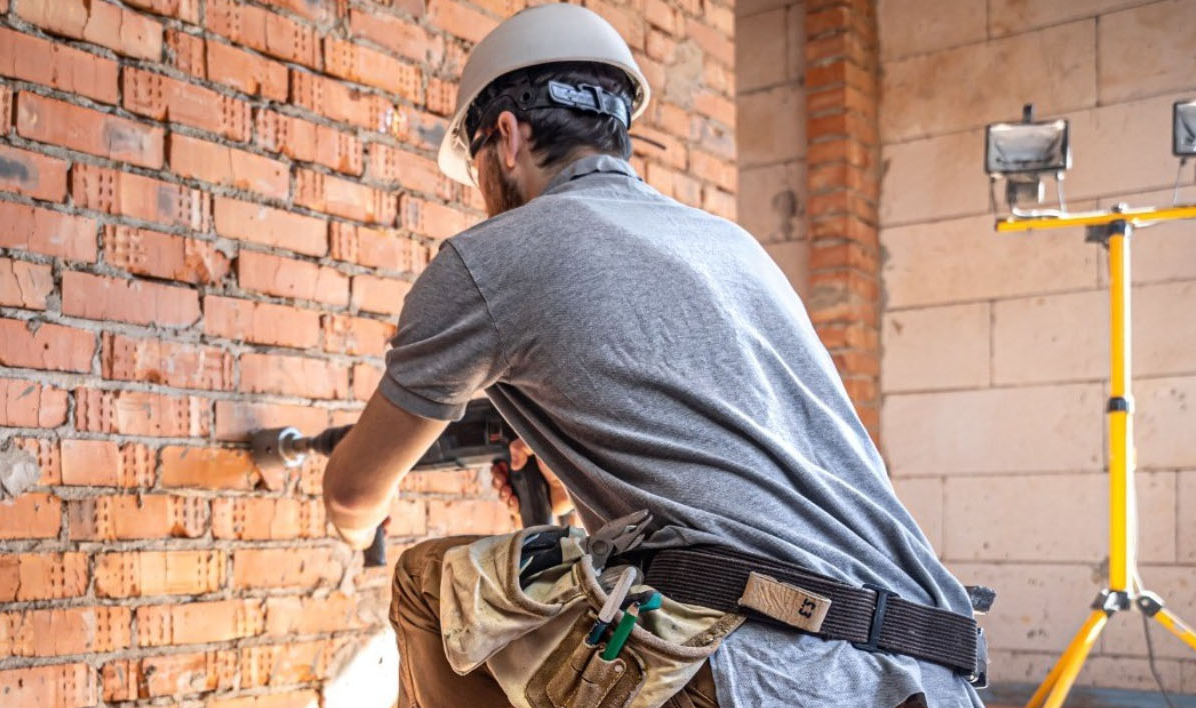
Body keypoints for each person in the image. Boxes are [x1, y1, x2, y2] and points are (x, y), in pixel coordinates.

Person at [317, 4, 985, 707]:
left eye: (478, 165)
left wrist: (361, 525)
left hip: (770, 675)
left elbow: (352, 492)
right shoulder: (731, 246)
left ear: (505, 138)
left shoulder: (489, 258)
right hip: (927, 667)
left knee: (427, 582)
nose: (483, 193)